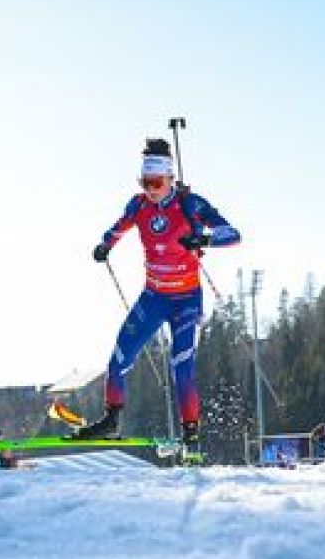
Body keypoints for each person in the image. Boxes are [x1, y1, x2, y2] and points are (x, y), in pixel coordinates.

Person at [76, 138, 240, 451]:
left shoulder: (190, 205)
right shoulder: (138, 206)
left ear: (169, 179)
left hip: (186, 300)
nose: (150, 189)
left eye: (156, 182)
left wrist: (203, 239)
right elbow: (117, 229)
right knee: (119, 356)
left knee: (182, 367)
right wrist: (104, 245)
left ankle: (191, 433)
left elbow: (233, 234)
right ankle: (111, 420)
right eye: (144, 182)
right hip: (154, 297)